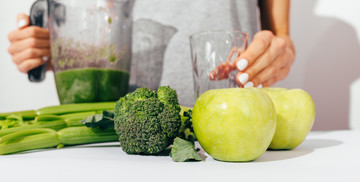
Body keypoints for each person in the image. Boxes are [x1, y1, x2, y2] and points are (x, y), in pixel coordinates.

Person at [7, 0, 295, 106]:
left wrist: (278, 54)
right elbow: (106, 25)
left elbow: (281, 37)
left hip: (231, 119)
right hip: (128, 127)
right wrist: (55, 49)